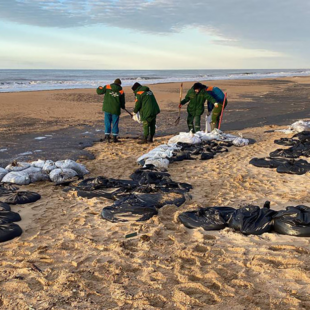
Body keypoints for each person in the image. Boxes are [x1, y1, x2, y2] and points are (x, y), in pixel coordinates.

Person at [96, 78, 125, 143]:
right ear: (119, 84)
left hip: (107, 108)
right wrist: (123, 106)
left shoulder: (107, 87)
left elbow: (99, 92)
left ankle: (107, 136)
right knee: (115, 123)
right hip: (116, 109)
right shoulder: (121, 91)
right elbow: (122, 101)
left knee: (107, 122)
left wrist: (99, 87)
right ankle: (114, 137)